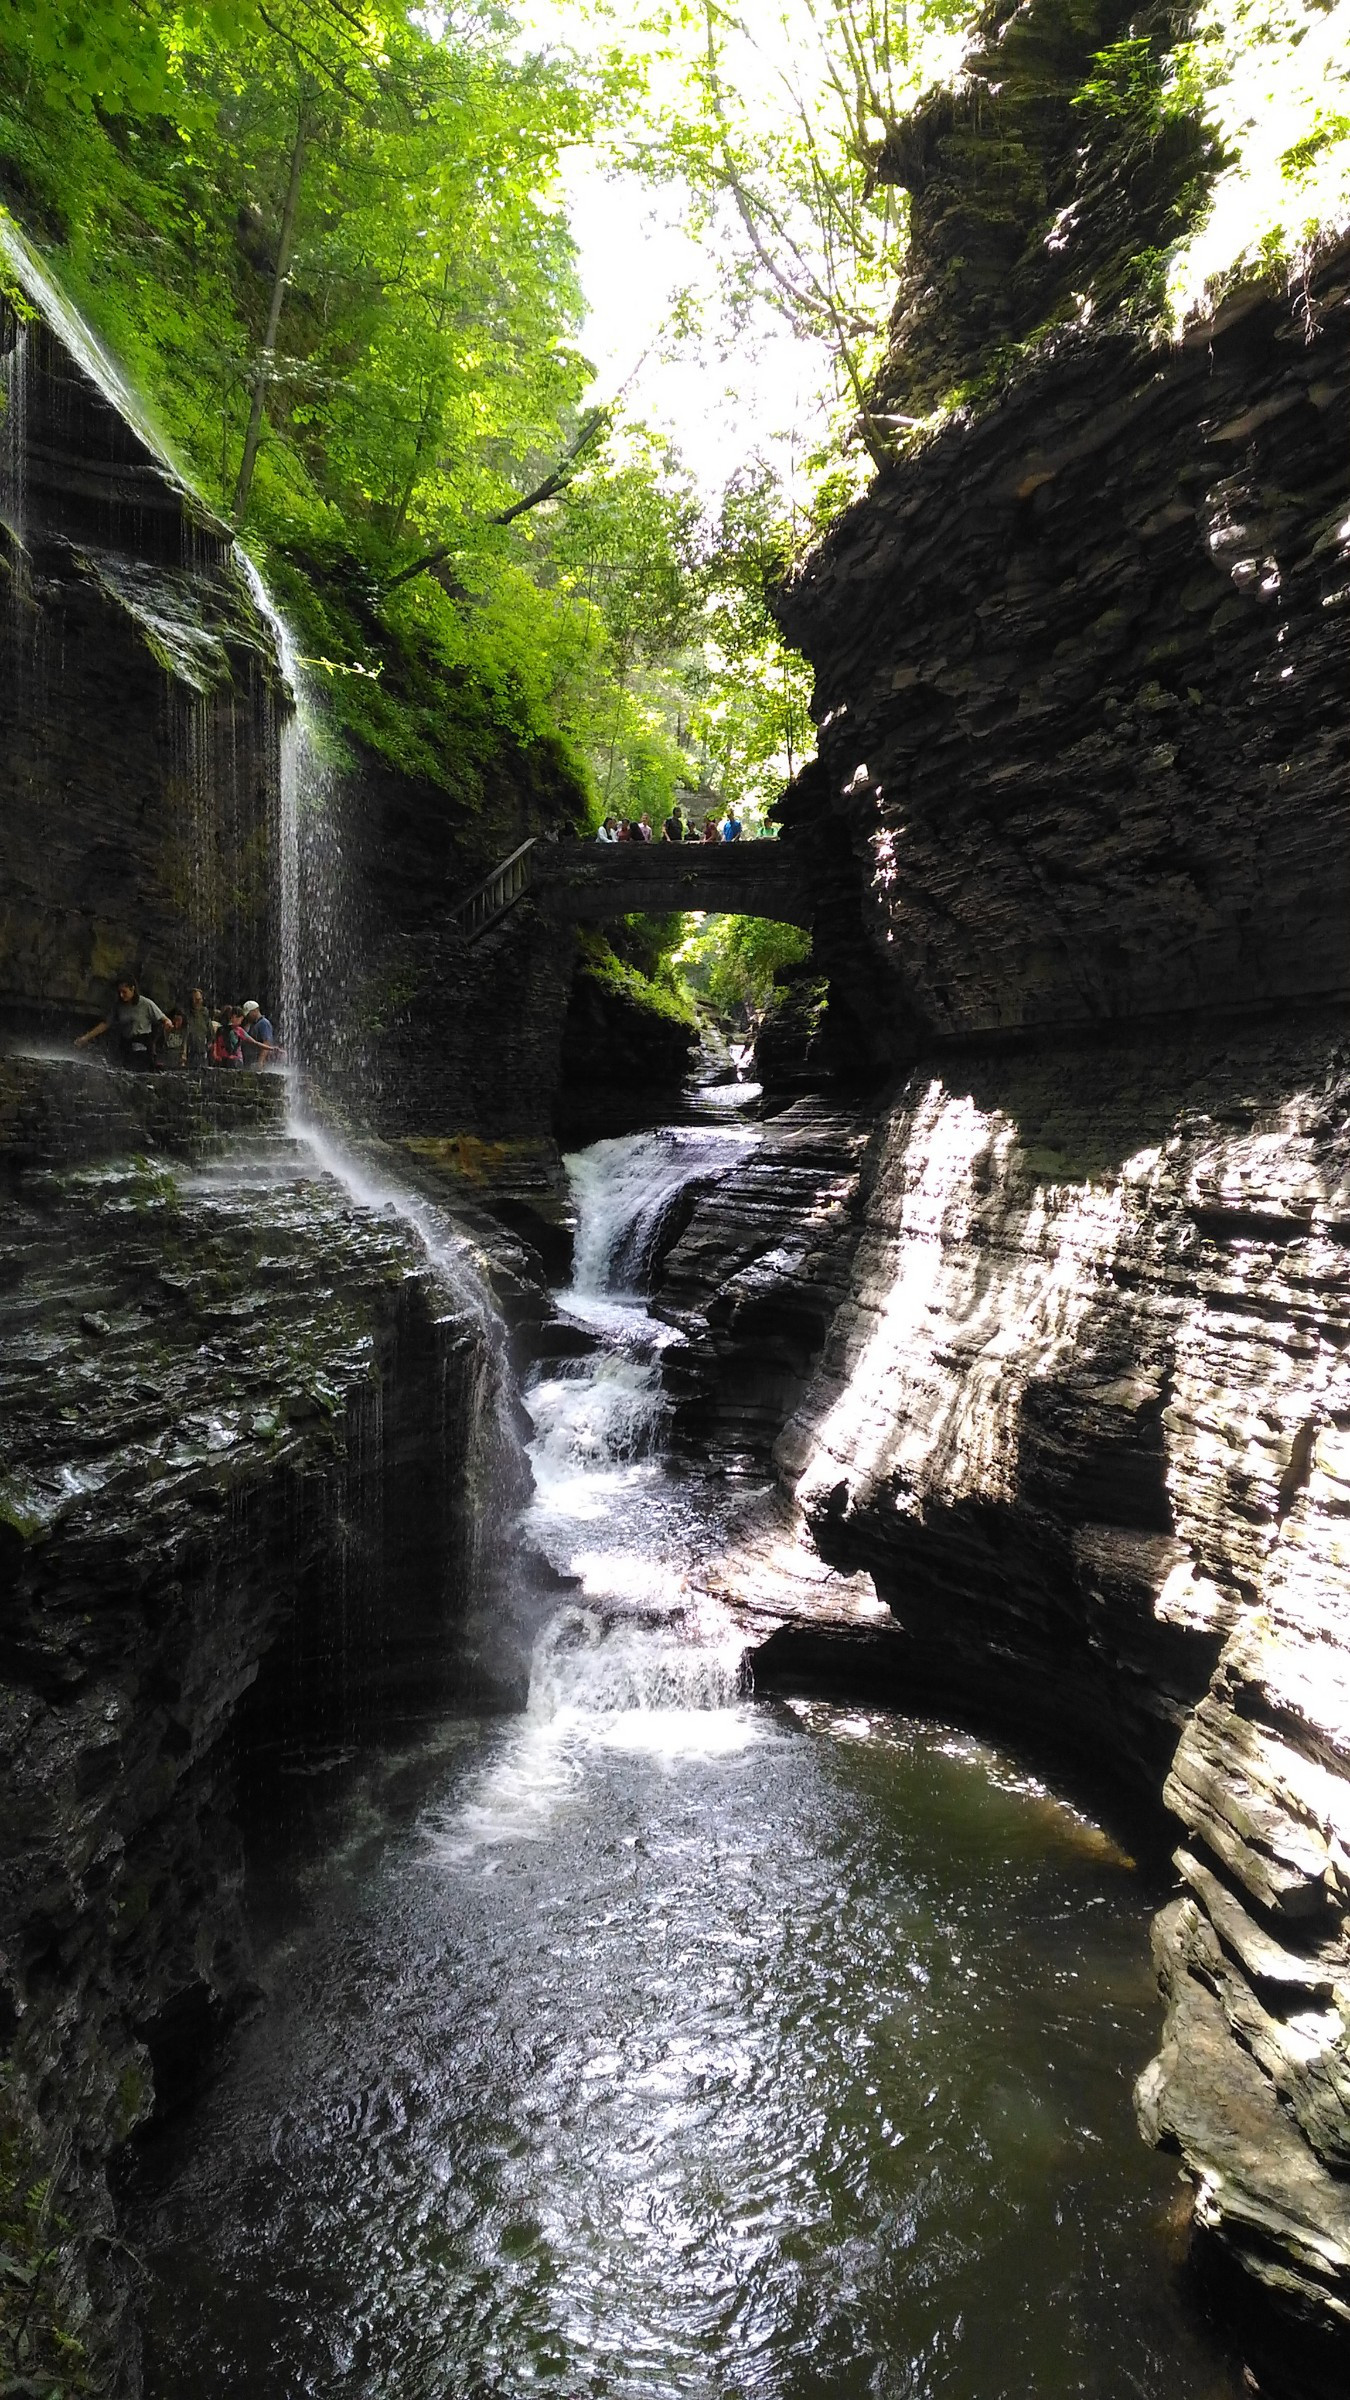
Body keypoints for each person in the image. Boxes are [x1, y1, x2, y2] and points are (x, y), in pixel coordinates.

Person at [75, 978, 168, 1071]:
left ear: (132, 989)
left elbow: (163, 1019)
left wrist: (168, 1023)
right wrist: (86, 1037)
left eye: (124, 992)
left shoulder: (146, 1004)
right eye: (119, 992)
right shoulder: (118, 1006)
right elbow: (105, 1024)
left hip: (143, 1042)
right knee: (125, 1068)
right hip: (127, 1042)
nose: (121, 995)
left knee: (142, 1067)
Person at [183, 988, 212, 1070]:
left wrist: (209, 1045)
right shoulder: (186, 1014)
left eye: (200, 999)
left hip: (202, 1051)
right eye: (196, 999)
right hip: (189, 1051)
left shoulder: (205, 1013)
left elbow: (210, 1032)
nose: (198, 1001)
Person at [240, 1001, 274, 1067]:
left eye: (249, 1014)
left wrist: (260, 1061)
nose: (247, 1016)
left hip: (257, 1060)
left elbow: (266, 1042)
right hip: (250, 1060)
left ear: (256, 1010)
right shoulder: (253, 1024)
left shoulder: (263, 1023)